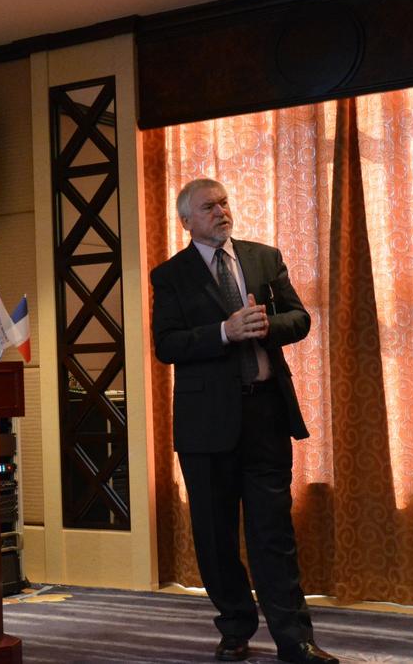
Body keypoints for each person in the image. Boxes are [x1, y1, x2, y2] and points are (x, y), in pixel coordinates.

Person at [150, 178, 338, 664]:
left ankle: (295, 640)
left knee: (273, 533)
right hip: (205, 425)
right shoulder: (169, 276)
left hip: (265, 415)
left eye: (224, 203)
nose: (220, 211)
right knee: (215, 538)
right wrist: (223, 331)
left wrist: (267, 324)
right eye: (208, 207)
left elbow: (299, 318)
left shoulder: (263, 258)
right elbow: (166, 344)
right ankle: (235, 627)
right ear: (186, 221)